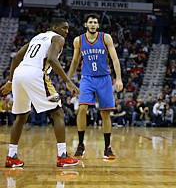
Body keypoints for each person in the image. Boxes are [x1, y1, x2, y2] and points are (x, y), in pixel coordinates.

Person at [1, 19, 80, 168]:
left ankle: (11, 156)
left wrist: (10, 82)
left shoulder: (37, 37)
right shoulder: (58, 38)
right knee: (58, 113)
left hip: (19, 74)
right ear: (54, 27)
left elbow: (17, 56)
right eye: (64, 28)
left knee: (22, 116)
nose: (66, 31)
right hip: (36, 74)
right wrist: (67, 81)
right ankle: (62, 156)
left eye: (68, 29)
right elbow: (51, 59)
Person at [67, 13, 123, 160]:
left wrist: (118, 78)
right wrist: (68, 80)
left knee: (105, 113)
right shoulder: (78, 40)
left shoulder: (106, 38)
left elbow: (115, 59)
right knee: (82, 108)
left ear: (98, 25)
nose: (92, 24)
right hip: (87, 78)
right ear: (86, 24)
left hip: (104, 79)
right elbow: (74, 61)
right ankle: (80, 144)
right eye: (90, 22)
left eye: (95, 22)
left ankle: (107, 147)